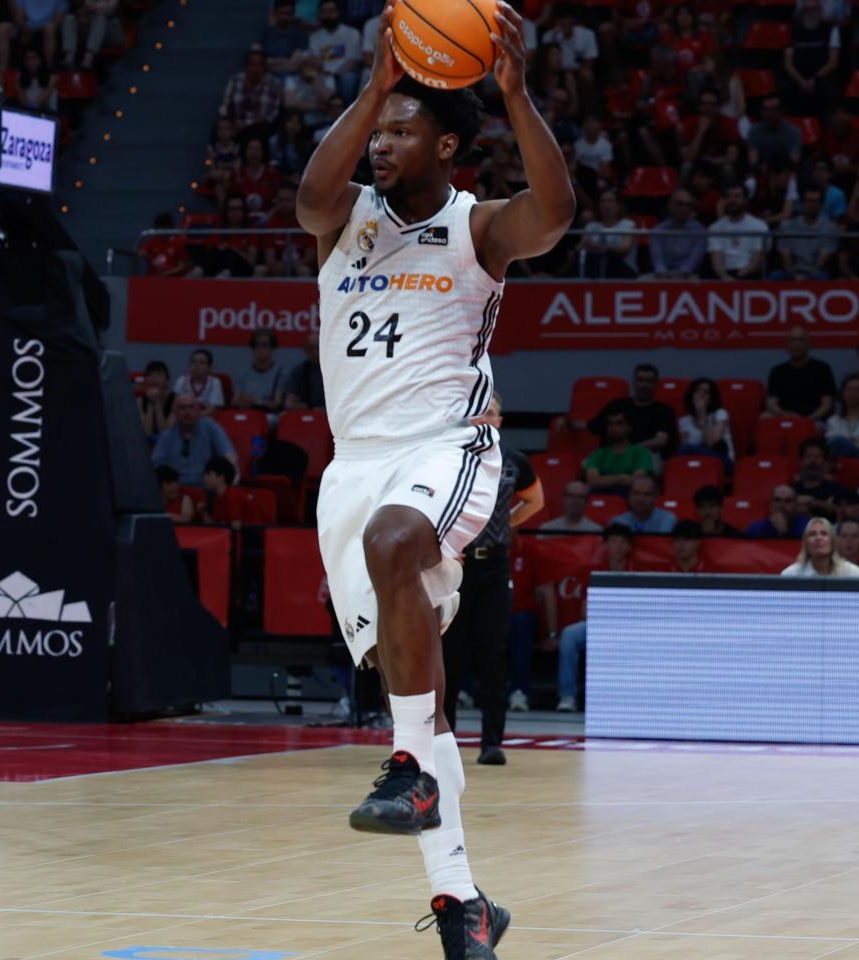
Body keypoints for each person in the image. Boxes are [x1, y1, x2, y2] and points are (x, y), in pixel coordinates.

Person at [295, 0, 573, 948]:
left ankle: (410, 770)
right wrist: (376, 84)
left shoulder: (476, 227)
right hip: (355, 466)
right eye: (378, 131)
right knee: (408, 683)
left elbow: (556, 215)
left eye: (401, 131)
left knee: (394, 545)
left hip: (447, 444)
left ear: (448, 147)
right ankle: (463, 902)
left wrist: (517, 94)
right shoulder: (343, 221)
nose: (381, 144)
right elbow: (309, 198)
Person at [440, 396, 541, 768]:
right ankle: (444, 743)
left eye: (491, 412)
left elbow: (535, 501)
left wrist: (502, 526)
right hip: (457, 566)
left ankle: (492, 743)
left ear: (500, 420)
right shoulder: (450, 457)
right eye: (478, 412)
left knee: (492, 654)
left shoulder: (514, 461)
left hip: (495, 567)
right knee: (450, 655)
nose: (484, 417)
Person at [553, 523, 634, 712]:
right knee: (570, 634)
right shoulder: (593, 572)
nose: (618, 546)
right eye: (613, 541)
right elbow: (585, 611)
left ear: (629, 547)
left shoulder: (637, 571)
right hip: (599, 625)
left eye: (622, 542)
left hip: (628, 628)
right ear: (605, 545)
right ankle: (567, 696)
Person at [151, 394, 237, 487]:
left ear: (198, 410)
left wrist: (228, 481)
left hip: (207, 488)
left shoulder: (210, 427)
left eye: (191, 407)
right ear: (175, 413)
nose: (187, 412)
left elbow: (229, 456)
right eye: (182, 408)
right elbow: (156, 465)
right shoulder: (167, 436)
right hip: (178, 488)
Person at [766, 326, 836, 419]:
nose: (796, 344)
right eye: (792, 340)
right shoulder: (777, 372)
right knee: (764, 417)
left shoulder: (822, 369)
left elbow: (827, 404)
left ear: (808, 344)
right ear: (786, 345)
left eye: (801, 340)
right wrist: (786, 415)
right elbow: (771, 403)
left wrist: (807, 420)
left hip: (815, 420)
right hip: (786, 419)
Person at [583, 410, 653, 494]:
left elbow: (636, 480)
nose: (613, 427)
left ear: (629, 427)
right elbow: (592, 481)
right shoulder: (598, 453)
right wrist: (620, 478)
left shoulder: (641, 452)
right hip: (602, 494)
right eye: (610, 423)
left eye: (619, 423)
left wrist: (604, 480)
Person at [677, 377, 734, 466]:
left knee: (687, 448)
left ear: (711, 398)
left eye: (706, 392)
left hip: (721, 462)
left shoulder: (720, 414)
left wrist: (702, 413)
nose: (701, 394)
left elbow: (710, 443)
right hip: (694, 463)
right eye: (697, 391)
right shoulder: (683, 421)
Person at [780, 515, 859, 576]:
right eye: (812, 534)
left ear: (833, 541)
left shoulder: (852, 573)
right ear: (806, 543)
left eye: (824, 534)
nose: (818, 538)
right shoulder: (790, 575)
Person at [233, 329, 289, 415]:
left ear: (272, 348)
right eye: (256, 345)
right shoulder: (243, 372)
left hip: (268, 415)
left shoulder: (280, 372)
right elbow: (234, 401)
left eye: (264, 345)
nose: (259, 349)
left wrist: (257, 402)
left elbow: (277, 404)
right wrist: (242, 401)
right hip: (246, 413)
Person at [610, 473, 676, 534]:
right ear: (629, 496)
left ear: (655, 497)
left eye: (647, 494)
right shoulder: (618, 522)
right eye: (636, 493)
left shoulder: (667, 519)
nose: (641, 499)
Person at [136, 360, 175, 443]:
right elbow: (146, 433)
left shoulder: (176, 401)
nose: (153, 378)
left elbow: (165, 434)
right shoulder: (139, 401)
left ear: (167, 381)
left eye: (159, 375)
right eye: (149, 375)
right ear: (145, 381)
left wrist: (157, 403)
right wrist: (150, 403)